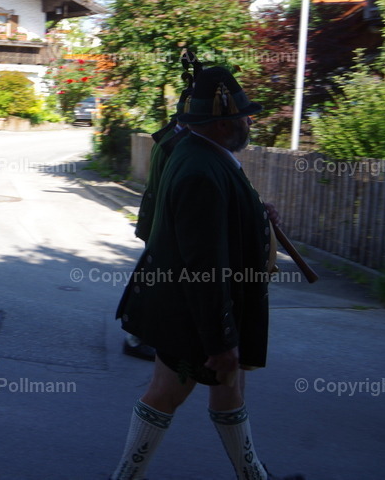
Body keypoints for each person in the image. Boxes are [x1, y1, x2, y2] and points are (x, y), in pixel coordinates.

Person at [110, 67, 302, 480]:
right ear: (219, 124)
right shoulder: (201, 169)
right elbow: (204, 266)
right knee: (166, 394)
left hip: (191, 312)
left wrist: (255, 212)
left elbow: (216, 225)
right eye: (242, 116)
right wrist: (220, 340)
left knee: (227, 392)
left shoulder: (205, 156)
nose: (249, 121)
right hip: (194, 316)